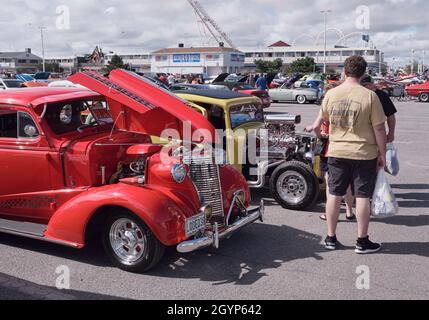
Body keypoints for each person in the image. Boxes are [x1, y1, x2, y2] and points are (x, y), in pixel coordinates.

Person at [306, 56, 387, 254]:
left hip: (337, 151)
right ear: (363, 73)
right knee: (362, 196)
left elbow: (319, 122)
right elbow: (379, 129)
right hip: (363, 153)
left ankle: (331, 237)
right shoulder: (369, 96)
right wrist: (382, 154)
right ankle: (362, 241)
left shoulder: (332, 94)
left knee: (333, 194)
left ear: (345, 71)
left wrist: (322, 136)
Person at [306, 82, 356, 222]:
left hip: (330, 150)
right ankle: (349, 211)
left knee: (331, 184)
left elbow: (317, 127)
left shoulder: (326, 106)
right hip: (347, 147)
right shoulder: (348, 106)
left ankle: (329, 213)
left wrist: (320, 134)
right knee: (347, 182)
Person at [360, 75, 397, 143]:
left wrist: (391, 133)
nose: (365, 87)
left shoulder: (382, 95)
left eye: (366, 85)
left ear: (372, 84)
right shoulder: (359, 95)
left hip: (377, 134)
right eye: (362, 86)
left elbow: (391, 115)